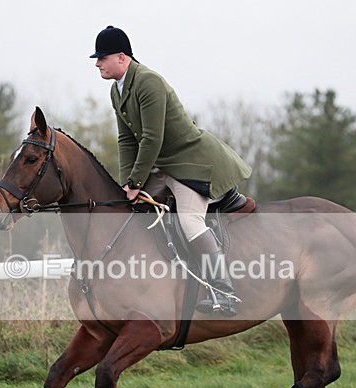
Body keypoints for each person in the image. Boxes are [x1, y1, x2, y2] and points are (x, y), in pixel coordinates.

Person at [90, 25, 252, 316]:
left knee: (190, 222)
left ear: (122, 58)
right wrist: (128, 184)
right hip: (164, 167)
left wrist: (138, 180)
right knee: (129, 212)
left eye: (103, 57)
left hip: (192, 164)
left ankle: (225, 292)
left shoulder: (148, 82)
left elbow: (153, 138)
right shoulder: (117, 91)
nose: (98, 63)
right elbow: (126, 139)